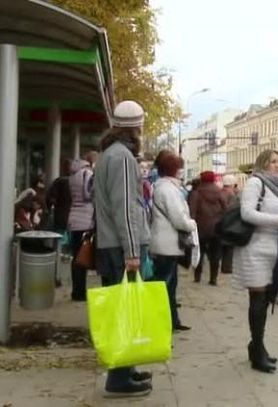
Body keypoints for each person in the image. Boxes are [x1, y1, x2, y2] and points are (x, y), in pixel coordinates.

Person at [93, 100, 152, 397]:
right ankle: (118, 378)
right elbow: (125, 207)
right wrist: (132, 250)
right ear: (136, 126)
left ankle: (126, 369)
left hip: (111, 244)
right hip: (120, 246)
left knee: (123, 308)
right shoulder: (123, 158)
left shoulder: (108, 155)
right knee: (123, 312)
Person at [233, 149, 278, 373]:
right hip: (255, 248)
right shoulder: (255, 183)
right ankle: (257, 351)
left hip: (274, 249)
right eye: (272, 162)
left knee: (267, 298)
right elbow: (247, 213)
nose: (277, 165)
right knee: (258, 300)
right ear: (262, 163)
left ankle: (257, 345)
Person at [150, 152, 196, 332]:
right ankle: (163, 322)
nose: (182, 171)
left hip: (166, 242)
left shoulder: (165, 187)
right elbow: (178, 218)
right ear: (173, 169)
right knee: (164, 284)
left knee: (170, 283)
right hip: (166, 243)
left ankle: (172, 320)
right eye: (179, 167)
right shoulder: (167, 189)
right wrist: (191, 224)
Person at [189, 171, 227, 285]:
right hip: (216, 228)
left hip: (200, 228)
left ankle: (197, 276)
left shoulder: (197, 193)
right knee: (215, 254)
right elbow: (225, 208)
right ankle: (213, 278)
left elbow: (192, 211)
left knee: (199, 253)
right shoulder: (219, 192)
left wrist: (192, 225)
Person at [67, 158, 94, 302]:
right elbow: (88, 194)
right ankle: (80, 292)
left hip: (74, 219)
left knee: (76, 257)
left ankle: (76, 291)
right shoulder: (87, 174)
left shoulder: (73, 175)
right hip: (85, 220)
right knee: (83, 257)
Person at [220, 174, 239, 274]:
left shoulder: (220, 192)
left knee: (224, 246)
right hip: (228, 222)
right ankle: (227, 267)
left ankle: (224, 266)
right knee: (229, 246)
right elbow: (232, 209)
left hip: (220, 222)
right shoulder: (231, 194)